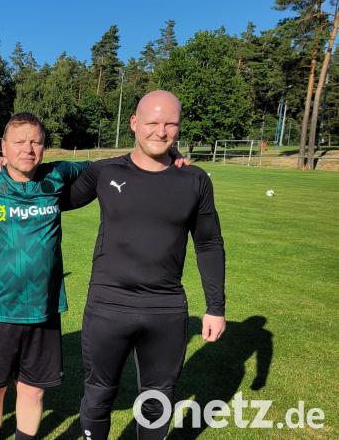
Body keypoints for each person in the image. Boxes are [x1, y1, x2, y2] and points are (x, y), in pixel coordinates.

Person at [70, 90, 226, 440]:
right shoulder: (105, 171)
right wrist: (5, 168)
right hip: (108, 305)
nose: (161, 131)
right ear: (134, 123)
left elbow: (209, 243)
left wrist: (215, 308)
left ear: (179, 127)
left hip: (166, 309)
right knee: (98, 396)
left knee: (157, 401)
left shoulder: (194, 179)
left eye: (170, 123)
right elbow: (53, 196)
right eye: (152, 122)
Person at [0, 113, 90, 440]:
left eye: (35, 142)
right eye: (19, 142)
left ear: (44, 147)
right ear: (3, 147)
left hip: (42, 309)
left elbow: (105, 168)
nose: (28, 149)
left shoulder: (56, 176)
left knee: (32, 392)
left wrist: (167, 157)